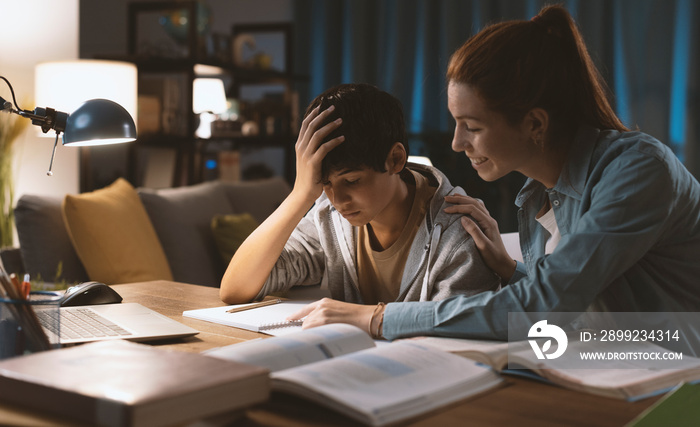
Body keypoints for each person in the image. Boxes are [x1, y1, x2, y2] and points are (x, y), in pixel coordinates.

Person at [288, 5, 700, 340]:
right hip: (609, 364)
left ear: (535, 124)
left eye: (474, 126)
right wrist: (509, 268)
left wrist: (376, 318)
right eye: (455, 122)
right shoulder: (538, 193)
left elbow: (542, 307)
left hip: (676, 377)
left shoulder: (640, 170)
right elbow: (577, 299)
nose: (456, 143)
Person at [220, 83, 499, 333]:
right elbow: (236, 289)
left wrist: (370, 317)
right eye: (325, 183)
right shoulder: (328, 215)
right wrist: (300, 194)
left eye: (352, 181)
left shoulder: (458, 229)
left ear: (396, 159)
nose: (339, 200)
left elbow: (463, 334)